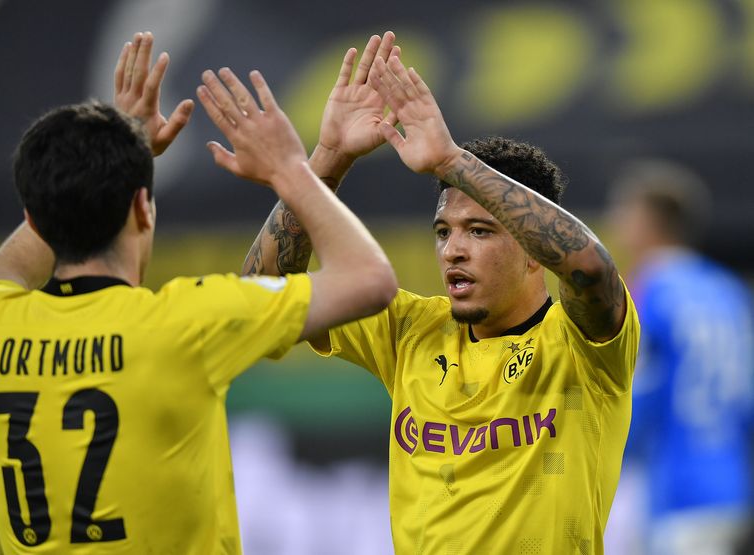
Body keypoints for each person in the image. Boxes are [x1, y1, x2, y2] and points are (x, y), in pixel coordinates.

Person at [0, 32, 396, 554]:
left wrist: (113, 159)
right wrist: (292, 168)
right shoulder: (183, 323)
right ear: (143, 209)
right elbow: (369, 279)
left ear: (34, 219)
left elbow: (3, 270)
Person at [243, 33, 640, 553]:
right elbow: (260, 297)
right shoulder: (410, 329)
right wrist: (329, 158)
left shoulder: (582, 349)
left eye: (479, 231)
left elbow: (591, 268)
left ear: (533, 251)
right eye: (443, 231)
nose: (452, 249)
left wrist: (452, 162)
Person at [606, 159, 754, 555]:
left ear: (647, 221)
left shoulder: (650, 288)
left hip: (675, 486)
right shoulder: (729, 290)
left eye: (624, 212)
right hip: (732, 483)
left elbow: (637, 392)